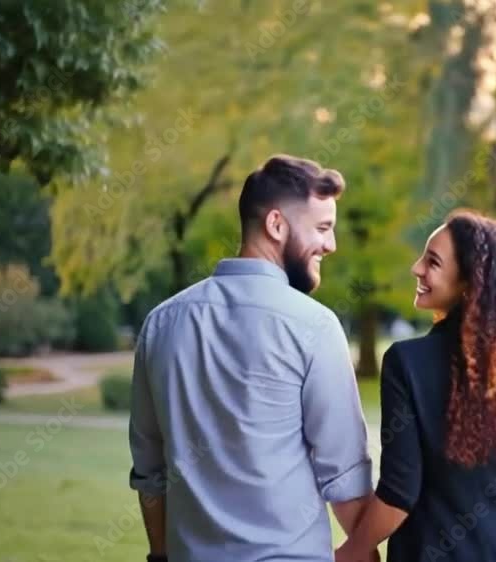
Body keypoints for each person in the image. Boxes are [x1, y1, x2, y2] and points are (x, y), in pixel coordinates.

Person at [128, 155, 377, 562]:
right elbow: (344, 476)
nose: (331, 245)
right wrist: (366, 552)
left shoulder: (160, 323)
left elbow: (150, 473)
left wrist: (159, 555)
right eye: (322, 228)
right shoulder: (314, 326)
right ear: (276, 225)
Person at [336, 209, 496, 562]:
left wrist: (351, 552)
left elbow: (399, 493)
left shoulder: (407, 362)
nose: (416, 268)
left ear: (469, 284)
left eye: (432, 262)